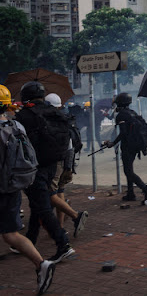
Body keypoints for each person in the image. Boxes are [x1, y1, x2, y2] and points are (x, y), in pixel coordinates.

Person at [0, 85, 56, 294]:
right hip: (14, 186)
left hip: (1, 188)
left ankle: (42, 264)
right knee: (10, 233)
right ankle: (42, 264)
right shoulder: (16, 126)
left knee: (9, 233)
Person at [15, 82, 74, 264]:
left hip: (35, 168)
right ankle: (30, 239)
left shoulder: (24, 116)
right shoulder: (54, 113)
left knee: (43, 207)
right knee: (37, 203)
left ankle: (63, 244)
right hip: (53, 165)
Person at [43, 93, 89, 237]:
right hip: (67, 162)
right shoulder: (66, 119)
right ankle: (60, 227)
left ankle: (75, 215)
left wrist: (66, 167)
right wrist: (69, 167)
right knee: (59, 192)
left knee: (51, 194)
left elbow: (67, 146)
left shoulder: (54, 121)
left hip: (58, 163)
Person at [104, 93, 147, 202]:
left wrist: (113, 143)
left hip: (128, 146)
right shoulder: (132, 113)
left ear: (120, 104)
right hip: (135, 145)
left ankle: (146, 189)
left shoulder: (121, 115)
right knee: (129, 169)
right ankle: (131, 193)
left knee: (128, 171)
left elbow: (123, 132)